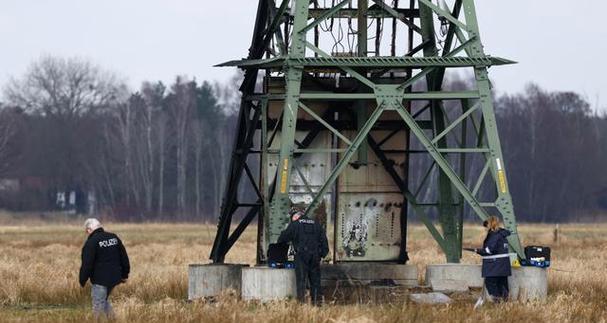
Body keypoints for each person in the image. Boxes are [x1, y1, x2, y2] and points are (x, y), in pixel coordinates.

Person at [79, 218, 130, 319]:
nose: (87, 234)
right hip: (115, 278)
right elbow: (124, 257)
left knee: (98, 305)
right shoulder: (113, 237)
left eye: (86, 231)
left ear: (89, 229)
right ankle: (113, 320)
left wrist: (82, 280)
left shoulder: (91, 242)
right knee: (103, 300)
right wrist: (124, 274)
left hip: (100, 280)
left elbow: (87, 264)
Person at [277, 208, 329, 305]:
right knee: (316, 282)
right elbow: (325, 244)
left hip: (301, 256)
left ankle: (301, 304)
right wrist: (320, 255)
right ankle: (317, 304)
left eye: (292, 218)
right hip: (315, 257)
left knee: (301, 281)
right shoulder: (316, 224)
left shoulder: (295, 224)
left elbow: (282, 239)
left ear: (296, 216)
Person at [475, 216, 512, 302]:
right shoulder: (502, 234)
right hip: (503, 265)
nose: (485, 228)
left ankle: (498, 303)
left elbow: (489, 250)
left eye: (486, 226)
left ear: (490, 225)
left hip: (495, 266)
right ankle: (505, 302)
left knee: (490, 283)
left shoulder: (494, 235)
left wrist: (478, 251)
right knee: (501, 283)